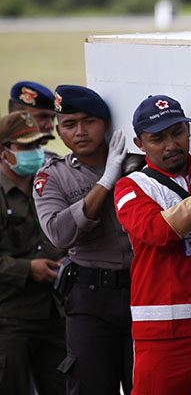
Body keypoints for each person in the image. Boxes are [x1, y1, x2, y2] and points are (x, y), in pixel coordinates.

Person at [114, 95, 191, 395]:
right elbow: (158, 232)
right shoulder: (131, 186)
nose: (170, 144)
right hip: (162, 331)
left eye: (177, 132)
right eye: (158, 138)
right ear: (140, 144)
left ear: (189, 132)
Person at [33, 85, 133, 395]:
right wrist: (106, 182)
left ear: (105, 123)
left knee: (144, 384)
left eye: (89, 121)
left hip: (141, 290)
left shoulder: (136, 164)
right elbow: (59, 233)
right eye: (69, 124)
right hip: (90, 297)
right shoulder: (53, 176)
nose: (80, 132)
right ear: (59, 131)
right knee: (89, 385)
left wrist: (122, 170)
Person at [0, 112, 66, 395]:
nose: (35, 153)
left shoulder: (51, 182)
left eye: (38, 145)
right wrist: (27, 269)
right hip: (11, 320)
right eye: (25, 147)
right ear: (3, 152)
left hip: (57, 312)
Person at [9, 81, 58, 160]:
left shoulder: (53, 163)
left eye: (53, 118)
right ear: (15, 116)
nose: (50, 125)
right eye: (42, 117)